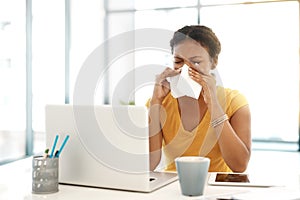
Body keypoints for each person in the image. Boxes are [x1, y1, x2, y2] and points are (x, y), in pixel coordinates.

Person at [147, 25, 251, 172]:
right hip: (173, 187)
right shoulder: (160, 103)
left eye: (195, 62)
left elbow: (239, 166)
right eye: (178, 61)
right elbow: (150, 164)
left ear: (214, 62)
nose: (185, 69)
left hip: (217, 190)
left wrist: (213, 103)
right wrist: (155, 102)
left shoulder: (235, 101)